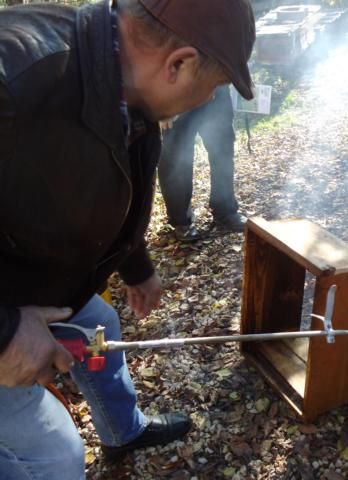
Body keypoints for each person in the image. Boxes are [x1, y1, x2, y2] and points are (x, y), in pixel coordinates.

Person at [0, 0, 255, 477]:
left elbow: (107, 189)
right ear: (179, 64)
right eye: (214, 87)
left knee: (100, 324)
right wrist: (6, 333)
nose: (208, 101)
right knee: (54, 459)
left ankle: (122, 430)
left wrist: (136, 266)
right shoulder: (16, 75)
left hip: (31, 281)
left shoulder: (126, 89)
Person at [159, 85, 247, 241]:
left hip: (217, 87)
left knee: (223, 150)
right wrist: (164, 104)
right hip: (179, 89)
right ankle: (181, 220)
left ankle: (225, 210)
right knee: (177, 157)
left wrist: (243, 80)